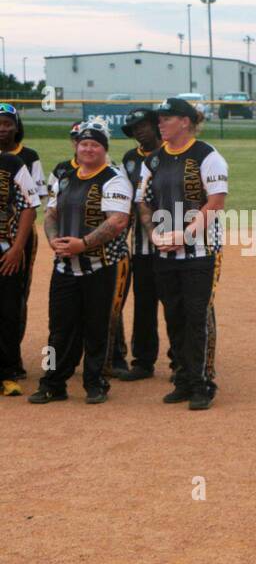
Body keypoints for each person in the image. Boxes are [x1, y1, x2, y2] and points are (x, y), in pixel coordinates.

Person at [29, 121, 131, 405]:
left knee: (96, 326)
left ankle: (95, 382)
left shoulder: (114, 178)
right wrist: (53, 240)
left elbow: (117, 221)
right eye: (84, 144)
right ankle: (52, 383)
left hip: (99, 267)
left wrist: (83, 244)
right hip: (64, 268)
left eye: (95, 144)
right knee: (58, 329)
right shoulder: (64, 176)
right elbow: (51, 214)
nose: (88, 149)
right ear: (76, 146)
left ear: (104, 149)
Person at [137, 96, 229, 411]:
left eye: (166, 118)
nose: (159, 123)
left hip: (201, 253)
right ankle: (183, 378)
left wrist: (186, 234)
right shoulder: (155, 160)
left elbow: (215, 203)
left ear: (185, 122)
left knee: (197, 316)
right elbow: (144, 202)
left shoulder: (208, 156)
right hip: (164, 254)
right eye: (159, 119)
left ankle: (203, 382)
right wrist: (154, 234)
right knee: (174, 316)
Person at [114, 108, 171, 382]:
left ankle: (181, 363)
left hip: (175, 242)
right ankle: (143, 361)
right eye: (134, 128)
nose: (139, 131)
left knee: (175, 303)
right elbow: (125, 201)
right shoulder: (130, 159)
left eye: (144, 125)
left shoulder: (173, 154)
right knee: (144, 303)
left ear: (156, 126)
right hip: (141, 245)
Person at [0, 146, 40, 396]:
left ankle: (8, 372)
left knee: (7, 311)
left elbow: (29, 206)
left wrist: (16, 249)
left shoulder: (11, 163)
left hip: (5, 252)